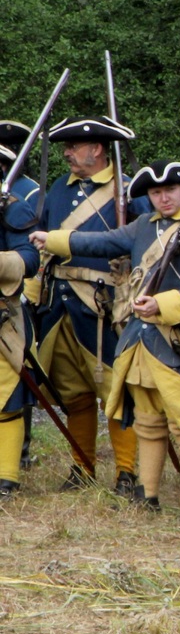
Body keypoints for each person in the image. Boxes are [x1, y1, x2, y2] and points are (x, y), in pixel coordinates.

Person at [33, 160, 180, 520]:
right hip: (140, 337)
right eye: (155, 192)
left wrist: (161, 304)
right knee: (148, 420)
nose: (163, 198)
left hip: (178, 338)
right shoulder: (142, 226)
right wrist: (53, 239)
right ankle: (146, 494)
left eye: (169, 190)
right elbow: (104, 242)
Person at [36, 115, 148, 493]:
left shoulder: (128, 192)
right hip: (59, 305)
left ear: (97, 149)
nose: (67, 153)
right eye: (65, 147)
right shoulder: (57, 189)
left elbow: (148, 241)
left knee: (117, 391)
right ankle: (82, 468)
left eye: (74, 147)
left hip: (103, 306)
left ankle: (126, 472)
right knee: (74, 394)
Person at [0, 173, 40, 500]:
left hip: (3, 316)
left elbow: (30, 260)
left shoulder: (13, 209)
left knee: (6, 401)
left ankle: (7, 478)